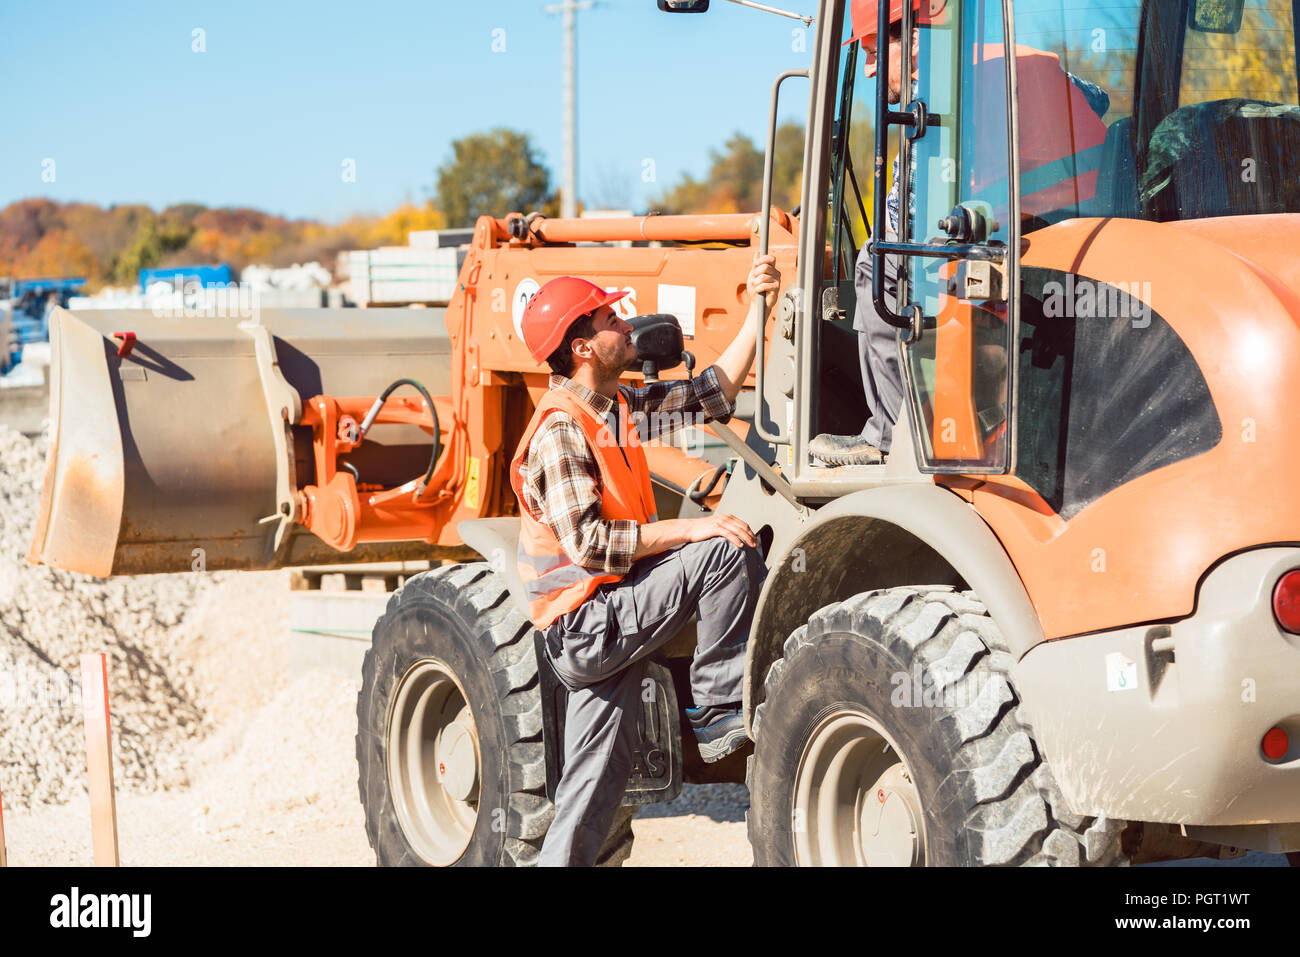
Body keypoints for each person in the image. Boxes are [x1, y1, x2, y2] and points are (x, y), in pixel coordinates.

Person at [510, 255, 780, 867]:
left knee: (592, 788)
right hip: (587, 622)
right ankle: (716, 712)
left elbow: (709, 394)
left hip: (605, 613)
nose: (625, 323)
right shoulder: (561, 430)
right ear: (582, 346)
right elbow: (592, 546)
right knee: (722, 548)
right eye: (610, 318)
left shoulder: (616, 406)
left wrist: (758, 311)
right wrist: (691, 528)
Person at [809, 0, 1110, 466]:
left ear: (911, 39)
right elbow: (1097, 100)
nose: (869, 72)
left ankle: (888, 435)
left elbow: (903, 221)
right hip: (1079, 235)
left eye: (871, 53)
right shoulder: (1010, 60)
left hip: (1012, 250)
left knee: (878, 260)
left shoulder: (942, 98)